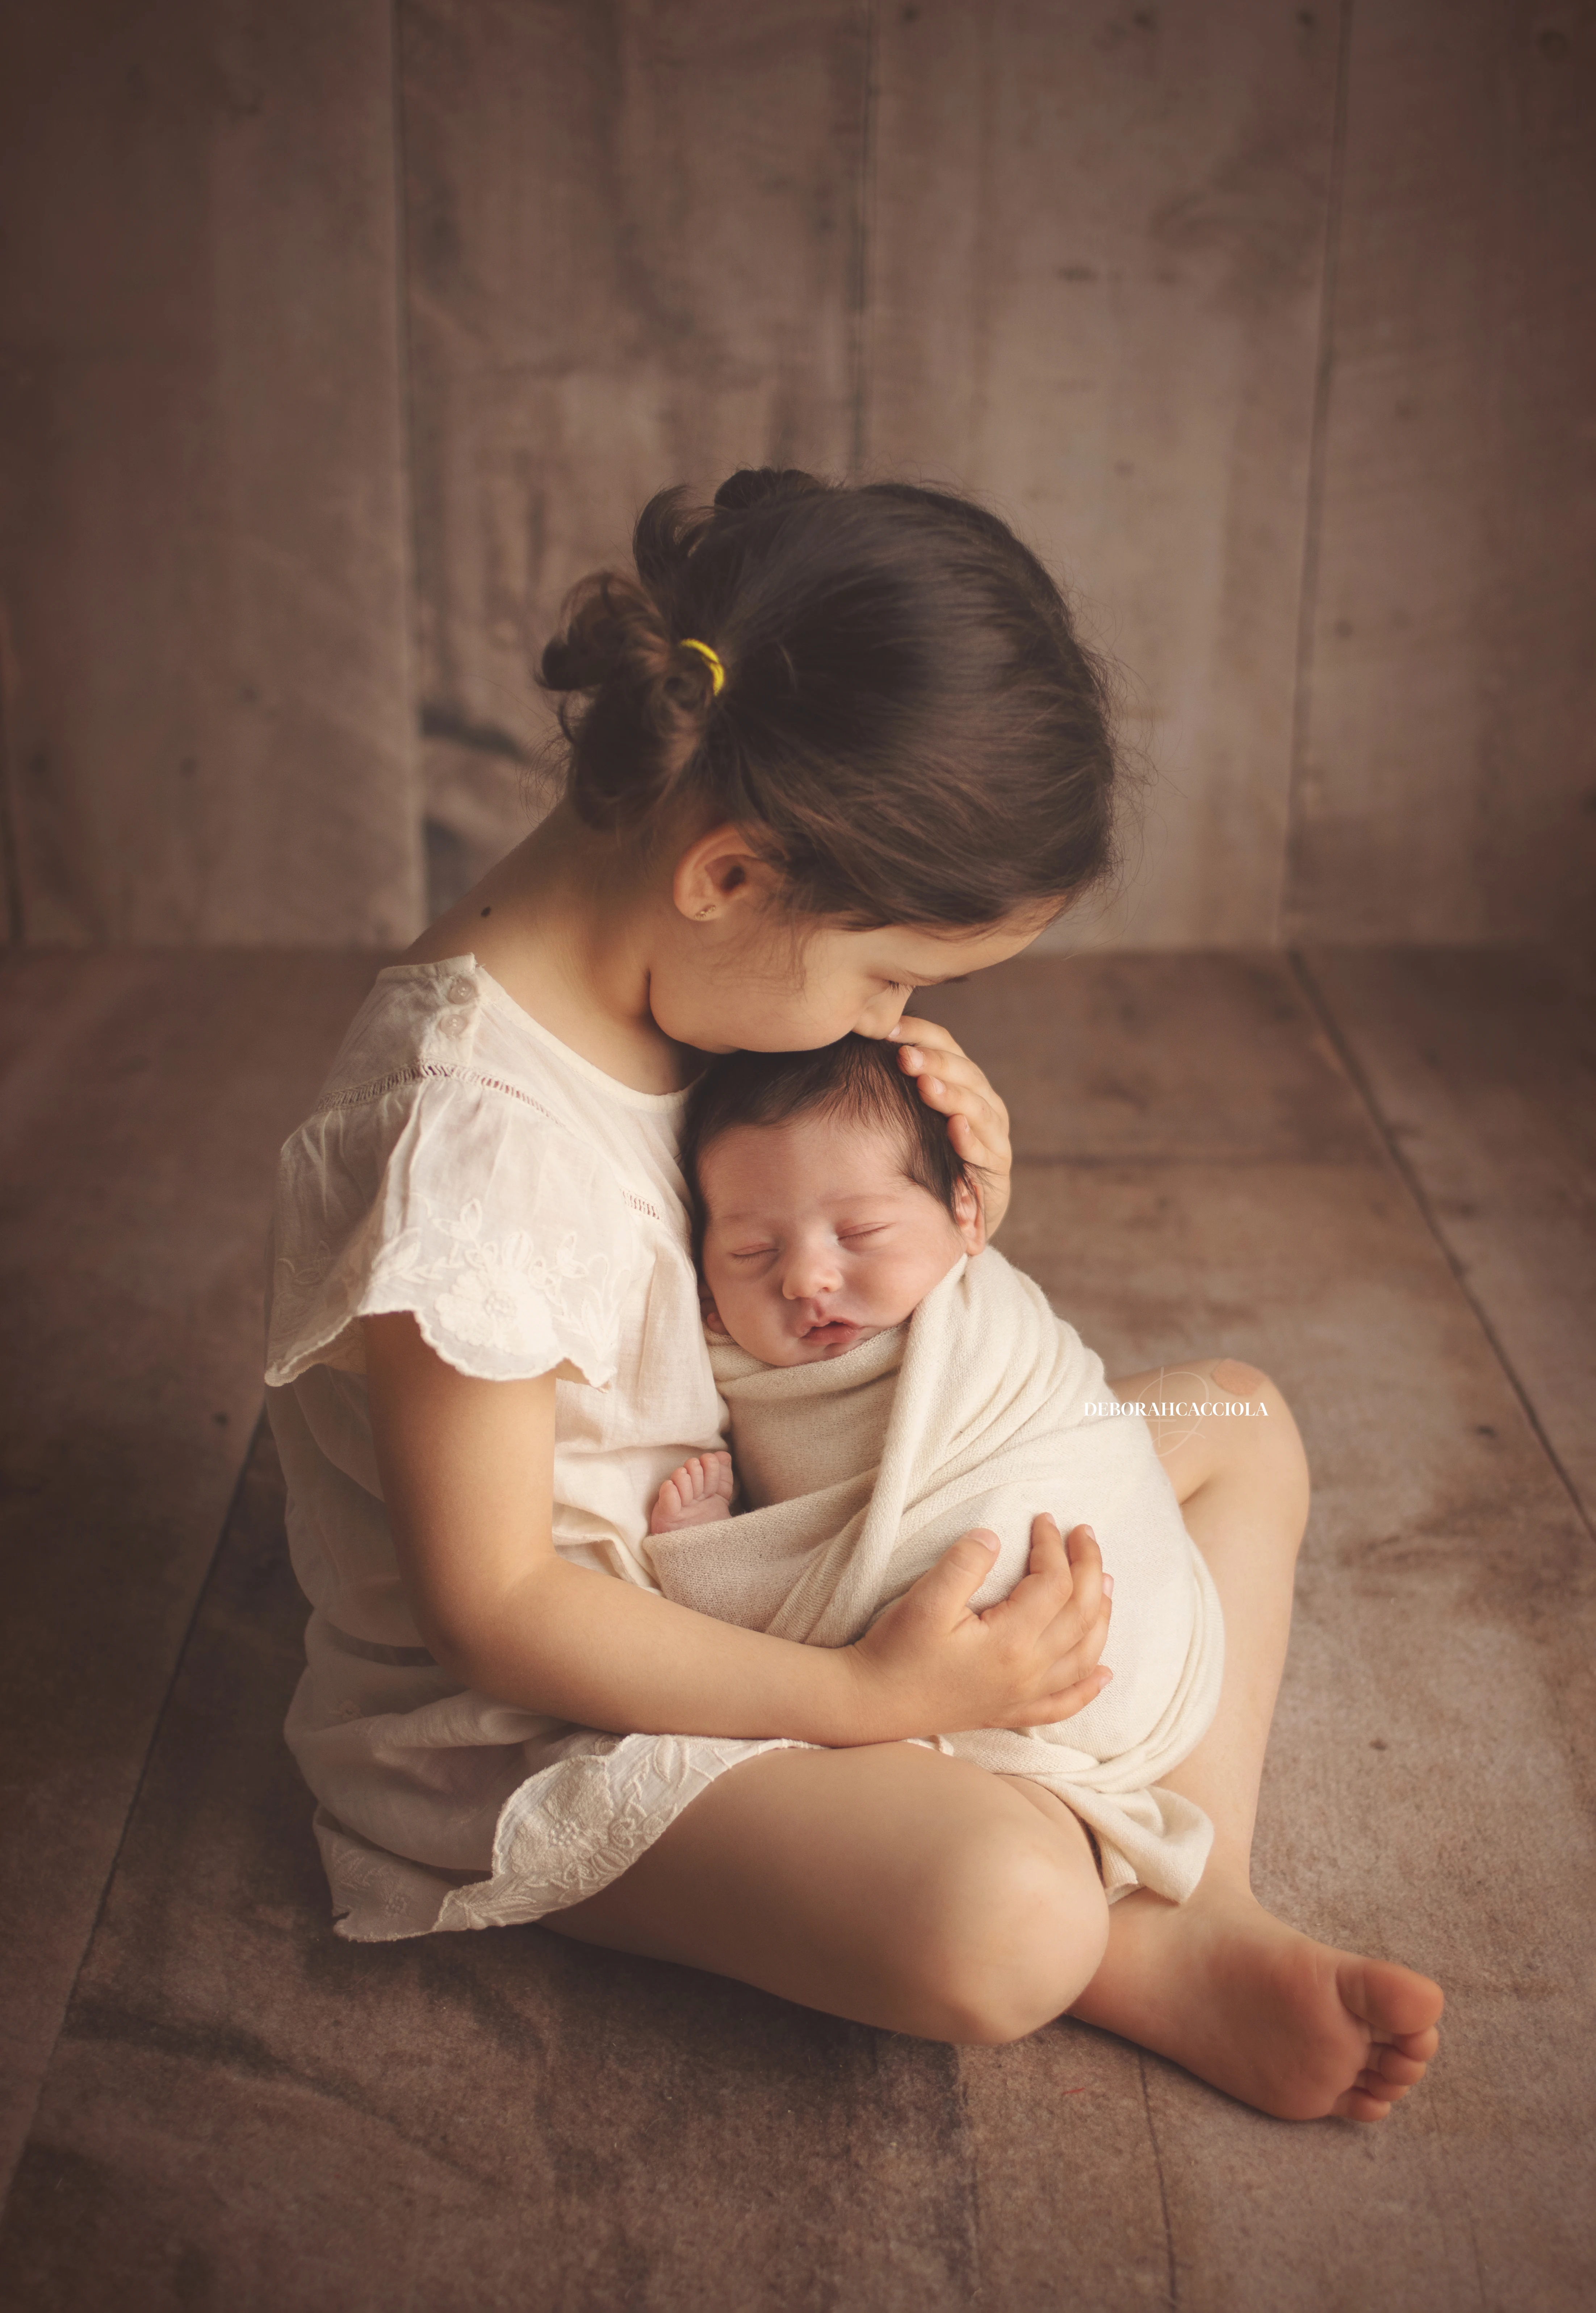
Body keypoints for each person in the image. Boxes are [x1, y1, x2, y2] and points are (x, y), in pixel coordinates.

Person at [265, 466, 1442, 2121]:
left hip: (773, 1518)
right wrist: (864, 1705)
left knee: (1234, 1423)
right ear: (731, 878)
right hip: (563, 1713)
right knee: (1001, 1911)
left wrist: (936, 1214)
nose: (885, 1017)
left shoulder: (668, 965)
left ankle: (1204, 1885)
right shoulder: (466, 1153)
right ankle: (1113, 1928)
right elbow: (500, 1607)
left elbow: (734, 1283)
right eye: (889, 972)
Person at [645, 1033, 1226, 1910]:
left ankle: (1216, 1893)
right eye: (752, 1254)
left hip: (1063, 1542)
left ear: (967, 1215)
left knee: (1238, 1405)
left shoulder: (981, 1316)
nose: (807, 1276)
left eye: (860, 1231)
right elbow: (818, 1561)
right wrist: (721, 1548)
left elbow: (1062, 1424)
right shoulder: (744, 1365)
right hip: (933, 1673)